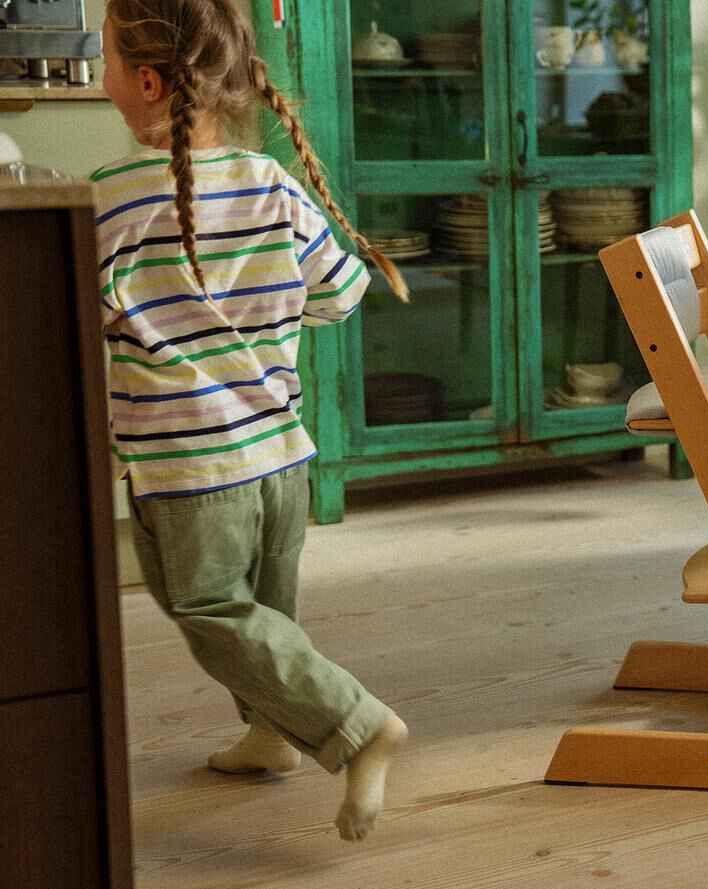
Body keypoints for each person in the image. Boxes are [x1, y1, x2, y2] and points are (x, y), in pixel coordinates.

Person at [95, 0, 410, 841]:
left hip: (189, 474)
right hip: (280, 459)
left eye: (106, 59)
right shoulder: (270, 183)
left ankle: (356, 722)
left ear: (149, 83)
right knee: (268, 610)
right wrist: (258, 312)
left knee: (211, 610)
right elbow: (342, 295)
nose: (101, 76)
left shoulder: (108, 203)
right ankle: (271, 732)